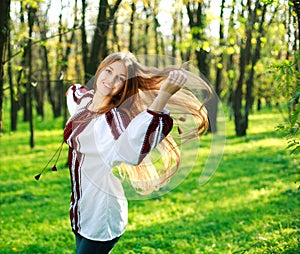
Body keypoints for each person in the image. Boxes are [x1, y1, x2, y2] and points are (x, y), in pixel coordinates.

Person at [63, 52, 211, 253]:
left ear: (125, 86)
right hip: (82, 210)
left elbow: (131, 147)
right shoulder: (84, 102)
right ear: (100, 70)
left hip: (101, 215)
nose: (111, 80)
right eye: (108, 71)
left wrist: (163, 96)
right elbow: (75, 94)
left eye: (121, 78)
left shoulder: (112, 123)